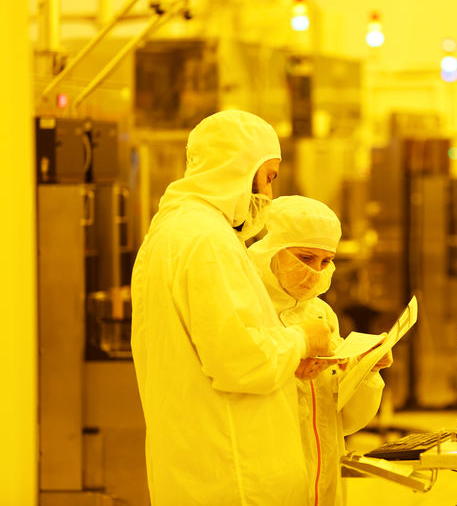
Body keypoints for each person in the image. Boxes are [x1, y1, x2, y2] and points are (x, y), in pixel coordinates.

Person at [131, 110, 333, 505]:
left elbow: (219, 347)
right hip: (233, 477)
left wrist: (289, 359)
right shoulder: (206, 241)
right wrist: (302, 339)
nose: (269, 196)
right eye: (269, 177)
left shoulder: (173, 233)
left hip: (200, 469)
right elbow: (242, 362)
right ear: (240, 168)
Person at [248, 195, 391, 506]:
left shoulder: (321, 314)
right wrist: (291, 369)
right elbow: (240, 382)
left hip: (324, 477)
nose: (316, 271)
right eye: (305, 258)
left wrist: (365, 369)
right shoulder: (248, 308)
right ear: (271, 250)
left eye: (326, 261)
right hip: (267, 480)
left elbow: (345, 418)